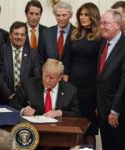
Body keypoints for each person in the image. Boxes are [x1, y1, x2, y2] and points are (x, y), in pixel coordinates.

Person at [65, 2, 101, 148]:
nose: (83, 17)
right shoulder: (74, 33)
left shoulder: (100, 36)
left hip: (90, 88)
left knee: (89, 129)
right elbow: (67, 58)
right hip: (73, 87)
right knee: (74, 126)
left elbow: (101, 64)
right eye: (81, 14)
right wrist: (66, 78)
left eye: (86, 14)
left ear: (93, 16)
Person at [10, 58, 80, 118]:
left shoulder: (70, 90)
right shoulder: (28, 85)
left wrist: (60, 112)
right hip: (34, 127)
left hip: (59, 129)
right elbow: (13, 104)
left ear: (60, 78)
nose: (47, 80)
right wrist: (23, 110)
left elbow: (76, 113)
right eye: (45, 76)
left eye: (51, 78)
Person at [97, 9, 125, 150]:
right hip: (102, 109)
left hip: (118, 112)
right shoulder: (103, 43)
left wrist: (115, 110)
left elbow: (123, 83)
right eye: (101, 23)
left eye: (105, 23)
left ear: (117, 25)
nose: (101, 26)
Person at [0, 21, 41, 104]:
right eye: (16, 34)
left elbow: (35, 77)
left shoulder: (33, 54)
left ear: (25, 36)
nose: (19, 37)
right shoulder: (1, 51)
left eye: (22, 34)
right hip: (3, 98)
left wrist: (23, 95)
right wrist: (8, 94)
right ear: (10, 35)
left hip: (25, 100)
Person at [39, 1, 74, 77]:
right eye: (58, 15)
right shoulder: (46, 33)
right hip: (50, 78)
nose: (61, 18)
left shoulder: (77, 33)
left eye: (64, 15)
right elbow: (41, 58)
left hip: (71, 78)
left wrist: (67, 74)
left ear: (70, 15)